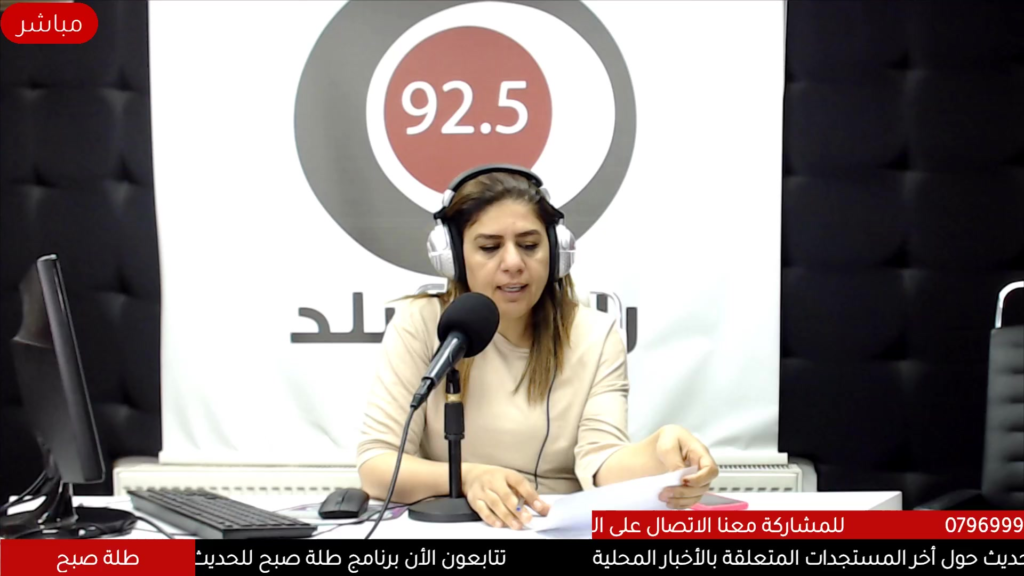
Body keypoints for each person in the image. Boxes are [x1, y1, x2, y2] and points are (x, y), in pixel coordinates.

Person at [356, 164, 718, 530]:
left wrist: (660, 456)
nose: (513, 263)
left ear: (556, 251)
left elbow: (602, 463)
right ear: (454, 257)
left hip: (555, 528)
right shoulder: (422, 324)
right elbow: (377, 466)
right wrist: (468, 477)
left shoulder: (594, 335)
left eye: (529, 245)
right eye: (489, 247)